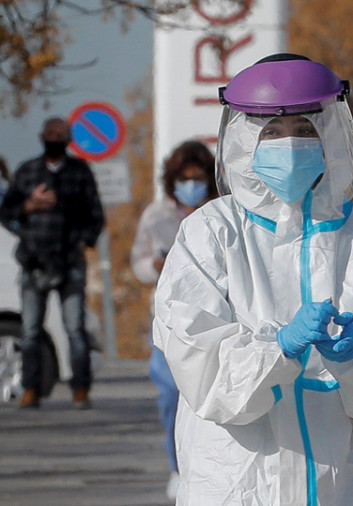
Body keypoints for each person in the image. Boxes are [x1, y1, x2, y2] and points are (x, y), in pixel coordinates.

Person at [150, 53, 353, 505]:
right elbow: (195, 360)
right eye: (272, 132)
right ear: (244, 143)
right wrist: (277, 348)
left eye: (306, 130)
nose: (291, 144)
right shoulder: (212, 231)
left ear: (331, 136)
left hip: (344, 480)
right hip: (238, 477)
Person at [130, 139, 219, 500]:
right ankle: (177, 467)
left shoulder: (221, 212)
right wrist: (153, 266)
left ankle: (206, 467)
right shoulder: (157, 216)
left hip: (214, 319)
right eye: (185, 179)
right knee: (170, 396)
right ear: (173, 180)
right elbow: (137, 262)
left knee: (208, 399)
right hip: (169, 321)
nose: (191, 186)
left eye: (198, 179)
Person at [0, 116, 105, 410]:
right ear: (41, 137)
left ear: (69, 140)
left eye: (60, 134)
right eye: (50, 133)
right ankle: (30, 388)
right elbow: (4, 211)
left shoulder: (80, 172)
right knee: (30, 330)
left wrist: (84, 239)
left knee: (75, 330)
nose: (54, 138)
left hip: (69, 262)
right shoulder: (27, 172)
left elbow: (96, 214)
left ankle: (80, 388)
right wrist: (30, 205)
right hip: (33, 261)